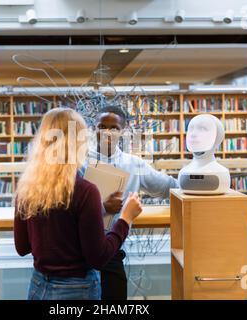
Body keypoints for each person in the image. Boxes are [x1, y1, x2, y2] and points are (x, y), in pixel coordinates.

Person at [13, 108, 143, 300]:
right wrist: (125, 219)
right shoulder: (85, 191)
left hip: (38, 287)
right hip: (77, 291)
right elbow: (98, 258)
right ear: (78, 143)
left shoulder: (26, 187)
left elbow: (22, 247)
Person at [87, 105, 179, 300]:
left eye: (114, 128)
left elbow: (169, 186)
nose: (107, 133)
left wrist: (198, 181)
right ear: (93, 128)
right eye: (101, 127)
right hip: (82, 251)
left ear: (124, 131)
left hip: (113, 250)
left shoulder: (134, 164)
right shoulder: (80, 163)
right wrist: (102, 207)